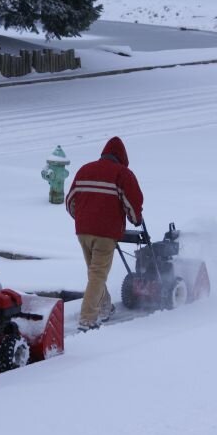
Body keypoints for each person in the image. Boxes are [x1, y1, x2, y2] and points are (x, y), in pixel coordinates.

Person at [65, 137, 144, 332]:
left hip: (83, 231)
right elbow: (132, 203)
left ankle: (105, 307)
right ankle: (87, 319)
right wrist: (136, 220)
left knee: (94, 273)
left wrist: (82, 218)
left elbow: (70, 201)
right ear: (122, 158)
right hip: (105, 234)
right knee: (98, 275)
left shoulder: (85, 169)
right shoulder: (123, 174)